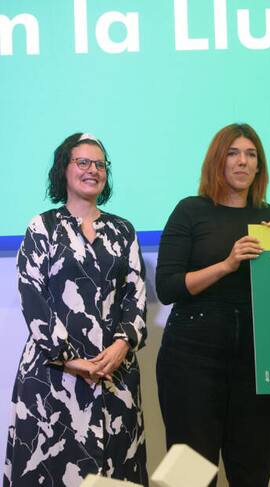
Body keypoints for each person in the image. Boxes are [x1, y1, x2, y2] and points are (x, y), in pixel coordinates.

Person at [3, 133, 148, 486]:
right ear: (64, 170)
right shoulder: (42, 227)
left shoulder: (123, 230)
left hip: (114, 371)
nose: (92, 170)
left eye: (100, 164)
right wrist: (69, 359)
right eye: (83, 162)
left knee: (115, 470)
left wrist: (121, 346)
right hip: (52, 374)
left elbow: (136, 294)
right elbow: (31, 294)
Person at [155, 123, 270, 487]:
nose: (243, 162)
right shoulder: (190, 210)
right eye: (233, 153)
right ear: (217, 161)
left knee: (253, 469)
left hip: (253, 361)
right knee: (189, 475)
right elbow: (167, 287)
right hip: (191, 360)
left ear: (259, 165)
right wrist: (226, 264)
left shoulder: (268, 214)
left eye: (251, 155)